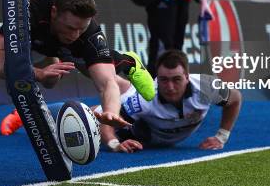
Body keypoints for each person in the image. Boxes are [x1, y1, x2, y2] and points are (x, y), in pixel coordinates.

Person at [0, 0, 155, 135]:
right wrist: (38, 73)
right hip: (35, 39)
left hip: (61, 44)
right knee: (37, 76)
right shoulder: (28, 9)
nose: (75, 35)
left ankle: (128, 61)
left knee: (87, 71)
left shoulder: (88, 33)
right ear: (54, 12)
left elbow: (107, 84)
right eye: (71, 28)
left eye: (81, 28)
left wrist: (111, 112)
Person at [99, 50, 242, 152]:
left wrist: (221, 137)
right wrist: (115, 144)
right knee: (93, 116)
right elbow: (107, 120)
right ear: (157, 79)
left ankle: (123, 84)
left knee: (124, 89)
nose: (170, 87)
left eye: (177, 79)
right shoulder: (143, 100)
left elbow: (235, 99)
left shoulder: (206, 87)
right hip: (139, 134)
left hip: (163, 137)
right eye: (164, 80)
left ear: (187, 76)